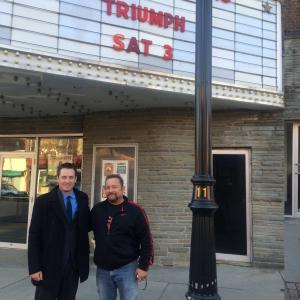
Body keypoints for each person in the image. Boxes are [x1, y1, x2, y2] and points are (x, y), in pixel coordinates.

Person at [28, 162, 90, 300]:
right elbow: (34, 236)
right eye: (64, 177)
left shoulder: (83, 198)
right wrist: (34, 267)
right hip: (48, 265)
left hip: (73, 265)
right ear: (58, 178)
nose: (67, 181)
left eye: (70, 177)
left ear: (75, 179)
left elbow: (87, 224)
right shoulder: (43, 202)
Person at [91, 174, 154, 300]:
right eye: (107, 187)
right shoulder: (97, 210)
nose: (110, 190)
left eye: (114, 187)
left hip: (127, 269)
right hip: (102, 270)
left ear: (123, 188)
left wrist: (143, 267)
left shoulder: (135, 211)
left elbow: (147, 240)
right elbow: (81, 229)